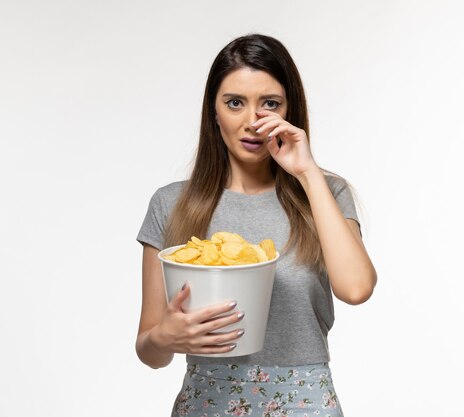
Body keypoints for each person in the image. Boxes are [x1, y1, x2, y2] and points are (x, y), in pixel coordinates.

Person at [136, 33, 377, 417]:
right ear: (213, 112)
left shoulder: (325, 192)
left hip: (306, 402)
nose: (252, 122)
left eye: (269, 104)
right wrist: (165, 337)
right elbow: (150, 352)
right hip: (206, 402)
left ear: (289, 110)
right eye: (235, 103)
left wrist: (307, 172)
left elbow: (356, 288)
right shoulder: (171, 203)